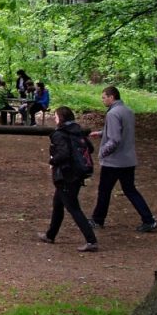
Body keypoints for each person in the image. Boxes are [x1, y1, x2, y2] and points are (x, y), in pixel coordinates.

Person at [89, 86, 157, 232]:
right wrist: (101, 133)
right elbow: (121, 130)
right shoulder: (127, 111)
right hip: (128, 159)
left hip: (114, 162)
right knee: (130, 190)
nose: (102, 100)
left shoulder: (113, 113)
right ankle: (148, 219)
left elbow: (115, 139)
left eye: (104, 97)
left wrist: (102, 152)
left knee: (104, 190)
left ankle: (97, 220)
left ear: (111, 97)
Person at [37, 106, 99, 252]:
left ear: (61, 118)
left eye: (56, 116)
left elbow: (63, 154)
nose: (55, 119)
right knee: (58, 204)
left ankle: (91, 241)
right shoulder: (77, 131)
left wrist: (52, 161)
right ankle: (50, 235)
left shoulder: (60, 134)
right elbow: (90, 148)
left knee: (73, 208)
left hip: (67, 175)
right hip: (77, 174)